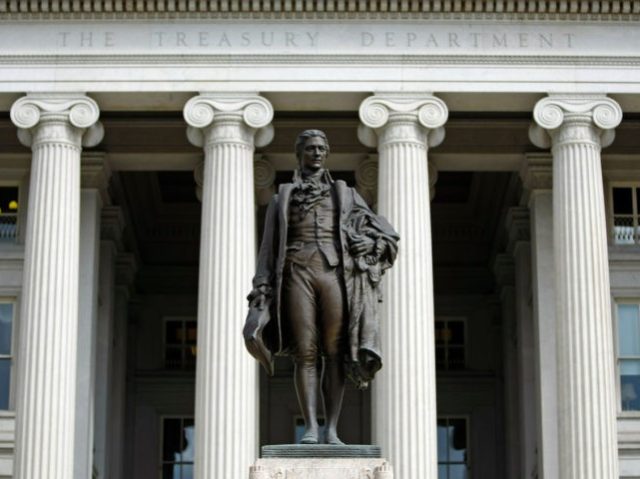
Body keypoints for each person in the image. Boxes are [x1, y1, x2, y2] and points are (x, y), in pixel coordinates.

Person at [244, 129, 399, 445]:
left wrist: (369, 245)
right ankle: (312, 427)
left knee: (335, 351)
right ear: (299, 153)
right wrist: (261, 287)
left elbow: (383, 233)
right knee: (306, 352)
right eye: (310, 148)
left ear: (326, 154)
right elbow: (267, 249)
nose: (316, 153)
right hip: (295, 272)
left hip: (333, 273)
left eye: (321, 148)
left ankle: (332, 429)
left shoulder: (345, 194)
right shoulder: (281, 198)